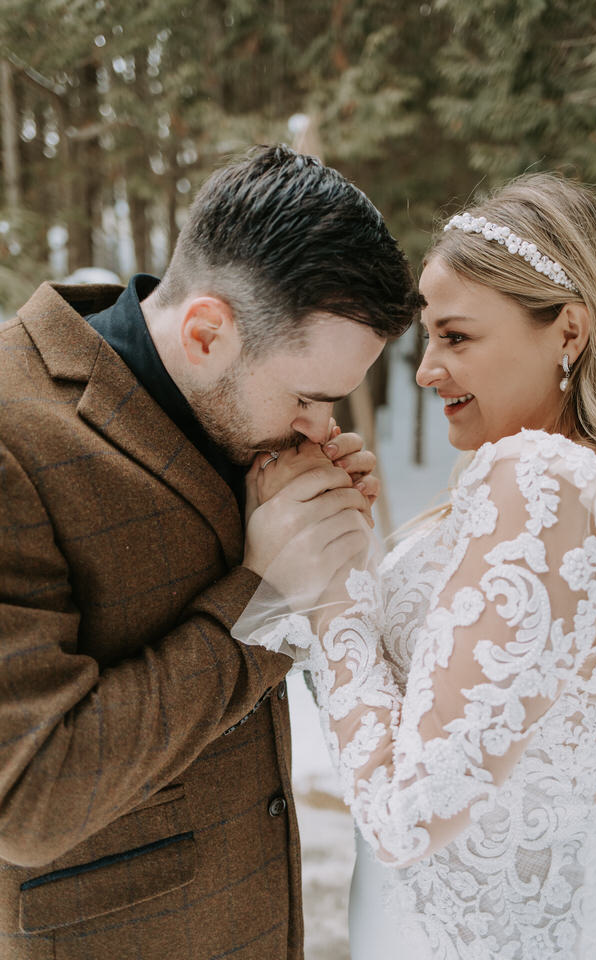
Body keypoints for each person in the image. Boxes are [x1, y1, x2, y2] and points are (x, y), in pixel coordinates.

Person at [0, 144, 422, 960]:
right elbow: (29, 795)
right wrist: (265, 595)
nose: (320, 427)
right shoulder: (11, 439)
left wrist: (319, 542)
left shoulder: (222, 401)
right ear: (205, 331)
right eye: (306, 397)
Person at [234, 172, 596, 959]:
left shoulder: (543, 478)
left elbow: (406, 814)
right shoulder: (536, 487)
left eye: (456, 337)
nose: (425, 371)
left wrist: (337, 591)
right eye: (428, 339)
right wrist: (342, 538)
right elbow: (400, 723)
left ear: (569, 332)